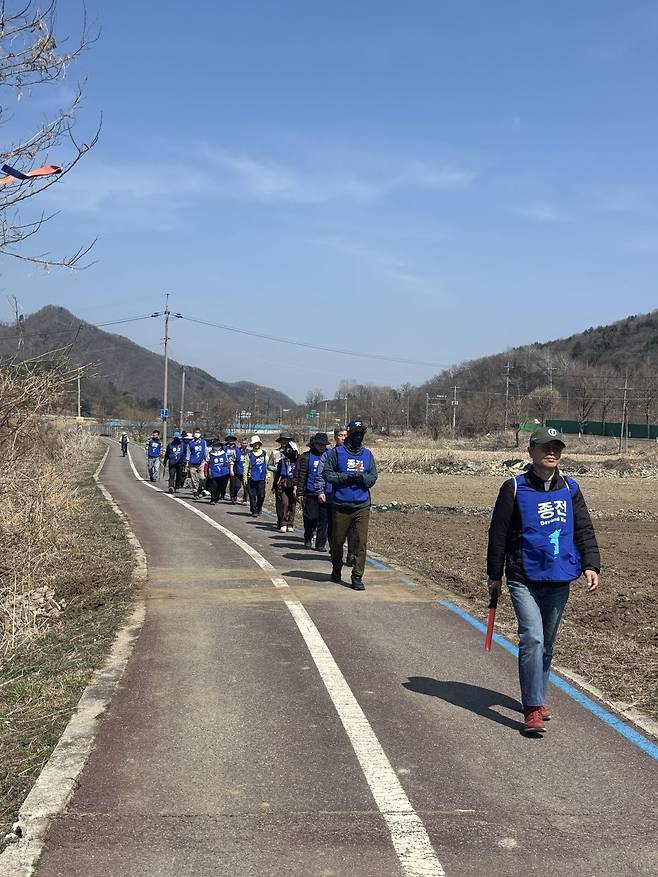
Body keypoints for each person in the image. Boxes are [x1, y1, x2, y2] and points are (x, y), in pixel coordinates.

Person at [487, 427, 601, 737]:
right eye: (544, 447)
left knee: (547, 644)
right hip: (523, 576)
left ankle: (537, 695)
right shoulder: (513, 487)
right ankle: (532, 708)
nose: (551, 452)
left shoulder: (571, 488)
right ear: (531, 451)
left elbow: (584, 530)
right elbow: (498, 533)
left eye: (556, 447)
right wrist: (494, 574)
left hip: (559, 576)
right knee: (533, 638)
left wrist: (591, 564)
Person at [322, 419, 378, 590]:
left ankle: (357, 576)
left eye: (361, 434)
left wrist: (362, 479)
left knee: (361, 542)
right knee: (337, 541)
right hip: (341, 504)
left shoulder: (367, 455)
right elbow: (327, 474)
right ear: (349, 435)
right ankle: (336, 568)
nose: (358, 437)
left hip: (362, 505)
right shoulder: (337, 453)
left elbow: (373, 476)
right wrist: (345, 477)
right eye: (355, 434)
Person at [317, 426, 356, 565]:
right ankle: (335, 549)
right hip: (332, 495)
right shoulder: (329, 454)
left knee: (351, 526)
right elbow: (321, 474)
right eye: (341, 435)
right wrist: (320, 491)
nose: (344, 437)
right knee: (334, 526)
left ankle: (351, 553)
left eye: (346, 435)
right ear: (335, 437)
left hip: (350, 495)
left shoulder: (353, 454)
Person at [296, 433, 331, 549]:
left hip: (326, 492)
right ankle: (308, 536)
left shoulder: (329, 455)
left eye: (324, 445)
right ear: (314, 444)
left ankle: (320, 544)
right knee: (311, 517)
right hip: (310, 492)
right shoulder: (307, 456)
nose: (322, 447)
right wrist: (300, 492)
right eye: (319, 444)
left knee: (324, 520)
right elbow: (302, 475)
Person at [273, 441, 298, 532]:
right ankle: (283, 523)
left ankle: (291, 524)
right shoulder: (282, 461)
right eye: (288, 449)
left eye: (291, 449)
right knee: (284, 503)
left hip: (294, 485)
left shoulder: (298, 461)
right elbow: (277, 474)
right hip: (284, 485)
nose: (289, 451)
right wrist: (274, 485)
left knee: (292, 505)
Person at [244, 435, 268, 517]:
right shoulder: (249, 455)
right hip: (252, 477)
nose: (256, 445)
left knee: (261, 495)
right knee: (252, 495)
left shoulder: (264, 453)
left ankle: (259, 507)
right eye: (255, 443)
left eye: (258, 443)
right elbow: (246, 466)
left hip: (261, 477)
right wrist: (245, 478)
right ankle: (254, 511)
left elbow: (267, 465)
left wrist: (268, 476)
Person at [207, 439, 231, 505]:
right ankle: (212, 499)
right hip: (214, 472)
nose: (217, 446)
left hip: (223, 472)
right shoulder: (210, 453)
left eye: (218, 445)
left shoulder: (224, 453)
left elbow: (227, 462)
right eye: (215, 445)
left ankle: (217, 497)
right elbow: (207, 462)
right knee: (214, 486)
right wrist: (208, 471)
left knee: (221, 486)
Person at [186, 428, 208, 497]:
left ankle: (200, 488)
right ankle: (195, 491)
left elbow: (205, 451)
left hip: (201, 462)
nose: (197, 434)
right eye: (195, 432)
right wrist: (187, 462)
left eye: (198, 432)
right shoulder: (190, 443)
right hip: (192, 462)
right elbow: (188, 453)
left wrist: (207, 459)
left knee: (202, 478)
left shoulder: (203, 442)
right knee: (193, 478)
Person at [231, 438, 248, 504]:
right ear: (240, 444)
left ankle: (245, 500)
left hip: (246, 473)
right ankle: (234, 496)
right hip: (238, 472)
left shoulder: (249, 452)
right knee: (237, 486)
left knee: (246, 487)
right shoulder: (236, 451)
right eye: (243, 443)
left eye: (246, 443)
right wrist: (231, 470)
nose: (244, 444)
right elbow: (232, 461)